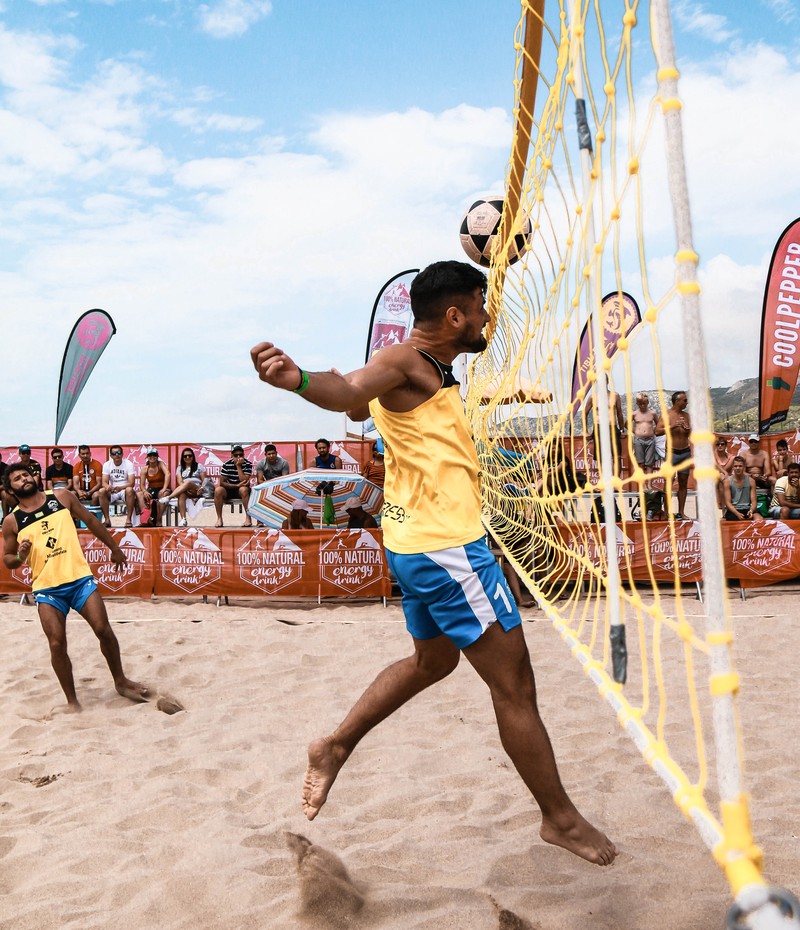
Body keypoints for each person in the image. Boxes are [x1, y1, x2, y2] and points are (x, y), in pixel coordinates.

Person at [251, 259, 617, 866]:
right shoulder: (404, 360)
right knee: (515, 686)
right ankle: (560, 819)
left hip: (416, 545)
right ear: (453, 316)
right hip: (448, 550)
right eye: (479, 307)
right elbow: (349, 393)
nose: (486, 317)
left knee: (433, 662)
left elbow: (363, 406)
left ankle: (335, 746)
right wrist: (298, 380)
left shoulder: (432, 371)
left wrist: (506, 394)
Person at [1, 463, 150, 711]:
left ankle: (121, 681)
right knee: (56, 643)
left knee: (103, 629)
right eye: (17, 478)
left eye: (26, 474)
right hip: (48, 589)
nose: (24, 479)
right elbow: (8, 559)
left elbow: (91, 520)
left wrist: (114, 548)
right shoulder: (11, 521)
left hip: (79, 580)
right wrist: (20, 556)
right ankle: (72, 702)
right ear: (10, 490)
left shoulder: (61, 496)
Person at [656, 391, 692, 520]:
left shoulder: (686, 416)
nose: (686, 402)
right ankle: (667, 512)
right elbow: (657, 431)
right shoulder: (667, 414)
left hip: (685, 452)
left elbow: (691, 433)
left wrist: (688, 429)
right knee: (668, 482)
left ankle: (681, 512)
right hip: (672, 452)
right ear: (677, 401)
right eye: (684, 400)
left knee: (683, 482)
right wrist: (672, 426)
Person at [160, 447, 207, 527]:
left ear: (193, 456)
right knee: (181, 495)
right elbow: (179, 481)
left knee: (188, 482)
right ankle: (183, 519)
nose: (187, 457)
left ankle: (169, 497)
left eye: (189, 455)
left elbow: (204, 480)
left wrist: (202, 488)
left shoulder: (199, 466)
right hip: (185, 489)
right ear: (182, 458)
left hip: (196, 489)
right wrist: (185, 489)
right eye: (185, 456)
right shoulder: (180, 468)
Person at [214, 444, 253, 528]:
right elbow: (222, 483)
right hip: (230, 488)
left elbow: (244, 481)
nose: (238, 457)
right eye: (236, 455)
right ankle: (219, 519)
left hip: (242, 490)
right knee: (218, 490)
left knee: (243, 489)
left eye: (240, 455)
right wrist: (236, 485)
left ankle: (248, 518)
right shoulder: (226, 464)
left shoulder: (248, 464)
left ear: (244, 455)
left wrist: (238, 466)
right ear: (232, 456)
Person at [98, 446, 137, 528]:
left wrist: (120, 488)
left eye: (119, 453)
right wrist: (108, 487)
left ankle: (128, 519)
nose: (117, 455)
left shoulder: (128, 464)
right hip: (113, 490)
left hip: (124, 489)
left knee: (130, 490)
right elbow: (104, 482)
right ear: (111, 455)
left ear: (122, 454)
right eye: (114, 453)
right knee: (101, 491)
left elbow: (131, 483)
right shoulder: (107, 464)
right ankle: (107, 519)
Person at [722, 456, 761, 521]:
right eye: (735, 466)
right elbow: (728, 502)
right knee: (738, 520)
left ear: (744, 467)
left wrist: (751, 511)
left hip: (747, 509)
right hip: (734, 510)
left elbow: (754, 502)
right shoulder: (727, 481)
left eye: (740, 466)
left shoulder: (751, 481)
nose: (738, 468)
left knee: (759, 519)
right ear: (732, 467)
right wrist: (737, 513)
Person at [138, 448, 171, 525]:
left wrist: (164, 488)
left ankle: (158, 520)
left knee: (163, 495)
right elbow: (142, 485)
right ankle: (145, 519)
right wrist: (145, 491)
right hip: (151, 489)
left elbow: (168, 474)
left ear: (157, 456)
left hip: (162, 488)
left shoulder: (160, 464)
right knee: (139, 495)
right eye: (150, 455)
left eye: (154, 455)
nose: (152, 457)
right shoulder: (145, 469)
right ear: (147, 457)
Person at [631, 392, 658, 474]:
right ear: (637, 404)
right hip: (638, 440)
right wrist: (635, 431)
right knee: (640, 463)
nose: (642, 405)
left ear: (648, 402)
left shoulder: (652, 413)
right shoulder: (634, 414)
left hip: (650, 440)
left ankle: (649, 481)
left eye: (644, 403)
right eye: (640, 404)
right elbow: (626, 424)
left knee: (649, 464)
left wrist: (653, 431)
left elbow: (659, 424)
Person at [713, 436, 735, 509]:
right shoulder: (712, 456)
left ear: (726, 446)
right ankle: (725, 506)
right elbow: (715, 466)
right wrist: (725, 473)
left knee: (721, 481)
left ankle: (723, 506)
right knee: (721, 476)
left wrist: (724, 473)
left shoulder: (731, 457)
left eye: (722, 444)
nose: (720, 446)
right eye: (718, 444)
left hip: (726, 479)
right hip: (714, 478)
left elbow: (725, 468)